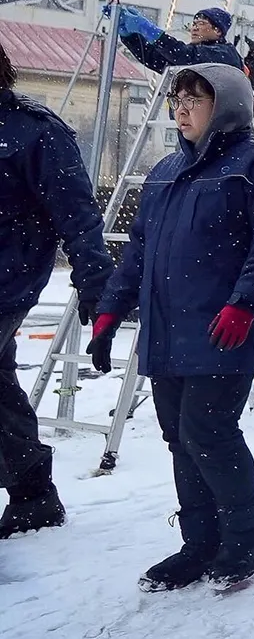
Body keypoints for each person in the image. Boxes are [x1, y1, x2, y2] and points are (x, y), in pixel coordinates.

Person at [89, 63, 254, 591]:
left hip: (223, 326)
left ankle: (246, 534)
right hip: (167, 328)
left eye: (194, 100)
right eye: (177, 100)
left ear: (225, 105)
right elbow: (139, 250)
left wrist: (245, 304)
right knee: (179, 438)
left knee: (208, 431)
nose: (181, 110)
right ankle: (200, 541)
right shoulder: (165, 171)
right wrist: (110, 310)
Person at [0, 41, 115, 539]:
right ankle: (34, 497)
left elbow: (77, 213)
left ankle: (34, 495)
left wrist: (96, 283)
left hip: (7, 279)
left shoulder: (35, 131)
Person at [106, 4, 245, 73]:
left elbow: (182, 55)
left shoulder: (225, 53)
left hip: (214, 121)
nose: (194, 28)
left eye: (201, 24)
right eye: (194, 24)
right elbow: (154, 59)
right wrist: (131, 36)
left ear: (218, 31)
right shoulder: (194, 54)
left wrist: (147, 29)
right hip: (189, 119)